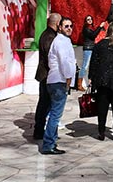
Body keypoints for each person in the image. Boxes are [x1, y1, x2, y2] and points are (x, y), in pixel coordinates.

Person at [41, 16, 76, 155]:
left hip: (56, 80)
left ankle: (51, 141)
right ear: (60, 27)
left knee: (54, 114)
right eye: (66, 26)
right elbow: (63, 61)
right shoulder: (60, 42)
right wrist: (68, 78)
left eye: (71, 26)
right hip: (58, 81)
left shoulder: (63, 40)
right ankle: (48, 144)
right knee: (55, 115)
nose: (69, 28)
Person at [33, 12, 60, 141]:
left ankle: (41, 130)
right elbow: (51, 57)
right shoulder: (49, 36)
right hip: (47, 75)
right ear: (57, 23)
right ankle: (39, 131)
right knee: (45, 104)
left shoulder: (49, 34)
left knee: (45, 104)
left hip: (47, 74)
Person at [78, 15, 97, 91]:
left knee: (92, 66)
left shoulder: (91, 28)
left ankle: (92, 83)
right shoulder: (86, 29)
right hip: (88, 48)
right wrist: (100, 27)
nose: (90, 20)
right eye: (88, 19)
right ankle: (79, 84)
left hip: (92, 48)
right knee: (85, 66)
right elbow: (93, 36)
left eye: (91, 19)